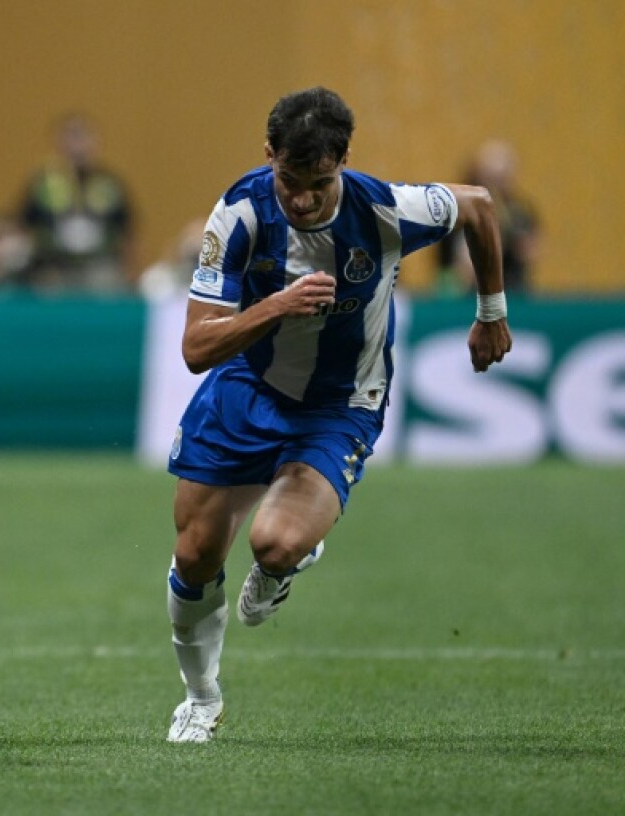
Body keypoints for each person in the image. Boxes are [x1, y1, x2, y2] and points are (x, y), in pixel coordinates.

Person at [162, 87, 512, 743]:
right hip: (246, 388)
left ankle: (287, 559)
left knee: (276, 541)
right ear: (269, 156)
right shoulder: (237, 213)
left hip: (339, 403)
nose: (301, 199)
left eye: (318, 184)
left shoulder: (384, 209)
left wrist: (491, 312)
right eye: (290, 181)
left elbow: (480, 206)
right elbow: (193, 348)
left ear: (343, 161)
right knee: (196, 554)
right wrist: (275, 306)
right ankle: (201, 699)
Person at [18, 112, 135, 294]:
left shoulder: (109, 184)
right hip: (54, 265)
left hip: (99, 264)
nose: (76, 146)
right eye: (70, 138)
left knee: (107, 285)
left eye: (82, 138)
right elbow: (24, 225)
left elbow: (128, 230)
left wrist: (131, 272)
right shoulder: (43, 184)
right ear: (58, 144)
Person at [435, 138, 540, 295]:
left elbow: (530, 250)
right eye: (489, 177)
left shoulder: (519, 213)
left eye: (501, 178)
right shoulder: (455, 212)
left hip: (510, 293)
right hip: (465, 297)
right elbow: (445, 263)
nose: (495, 185)